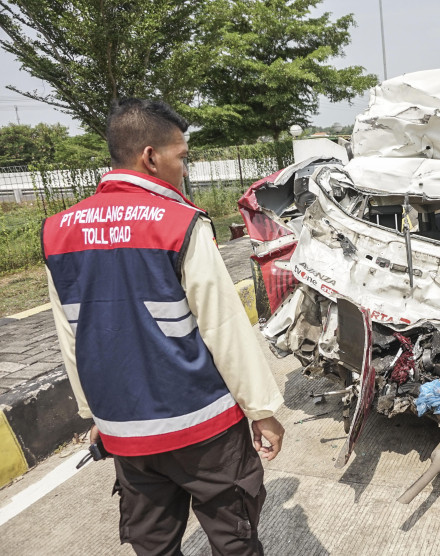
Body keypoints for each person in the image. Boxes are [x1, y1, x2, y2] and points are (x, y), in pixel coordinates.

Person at [42, 98, 285, 555]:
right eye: (183, 157)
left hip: (126, 433)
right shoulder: (180, 224)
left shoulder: (56, 231)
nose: (186, 170)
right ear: (150, 156)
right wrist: (263, 410)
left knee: (152, 545)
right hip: (203, 430)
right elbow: (224, 327)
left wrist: (95, 415)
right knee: (234, 539)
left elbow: (72, 336)